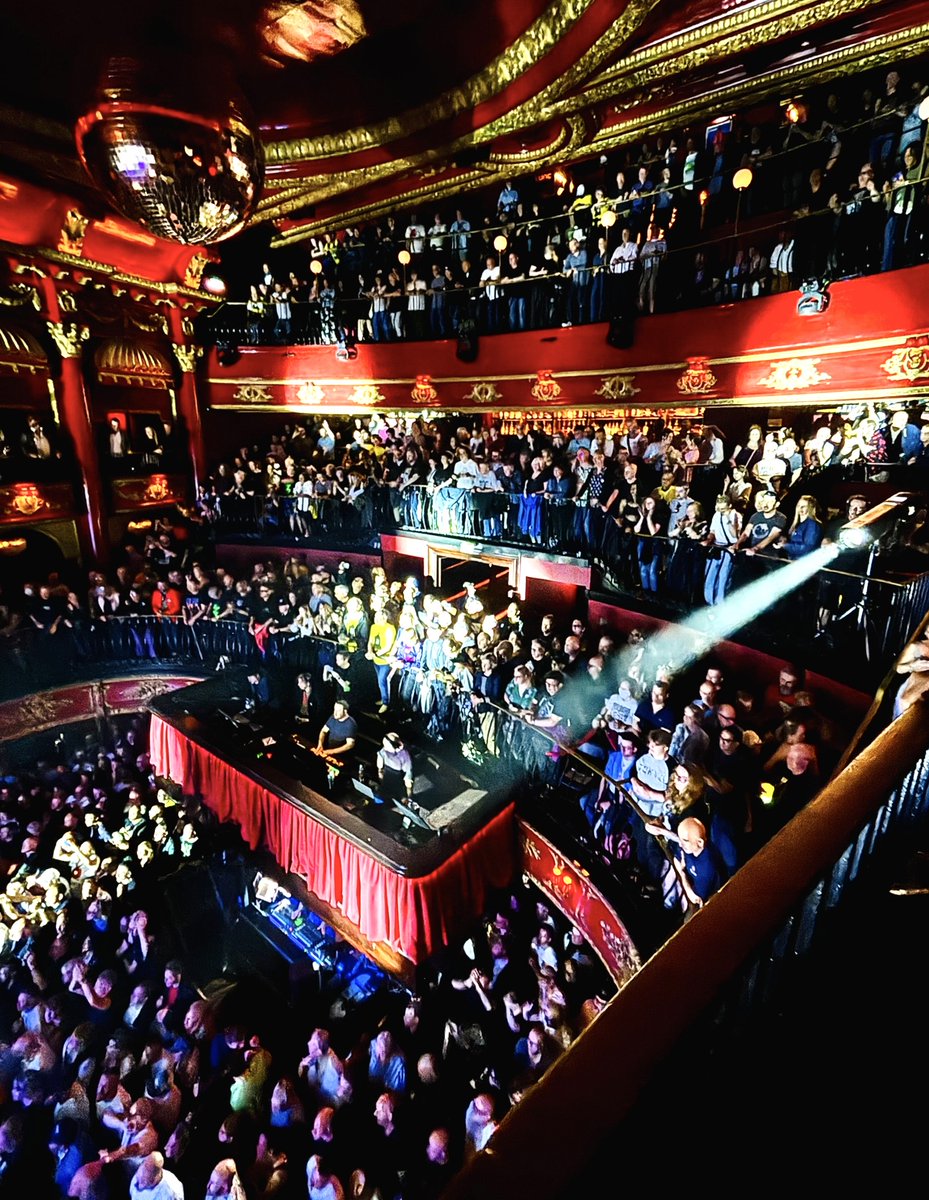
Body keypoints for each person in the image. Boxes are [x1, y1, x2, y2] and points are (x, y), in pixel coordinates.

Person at [376, 733, 414, 803]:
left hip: (399, 774)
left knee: (408, 784)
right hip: (388, 771)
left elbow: (408, 771)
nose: (385, 748)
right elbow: (380, 769)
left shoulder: (404, 754)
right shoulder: (383, 752)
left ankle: (409, 801)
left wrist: (408, 783)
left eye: (387, 746)